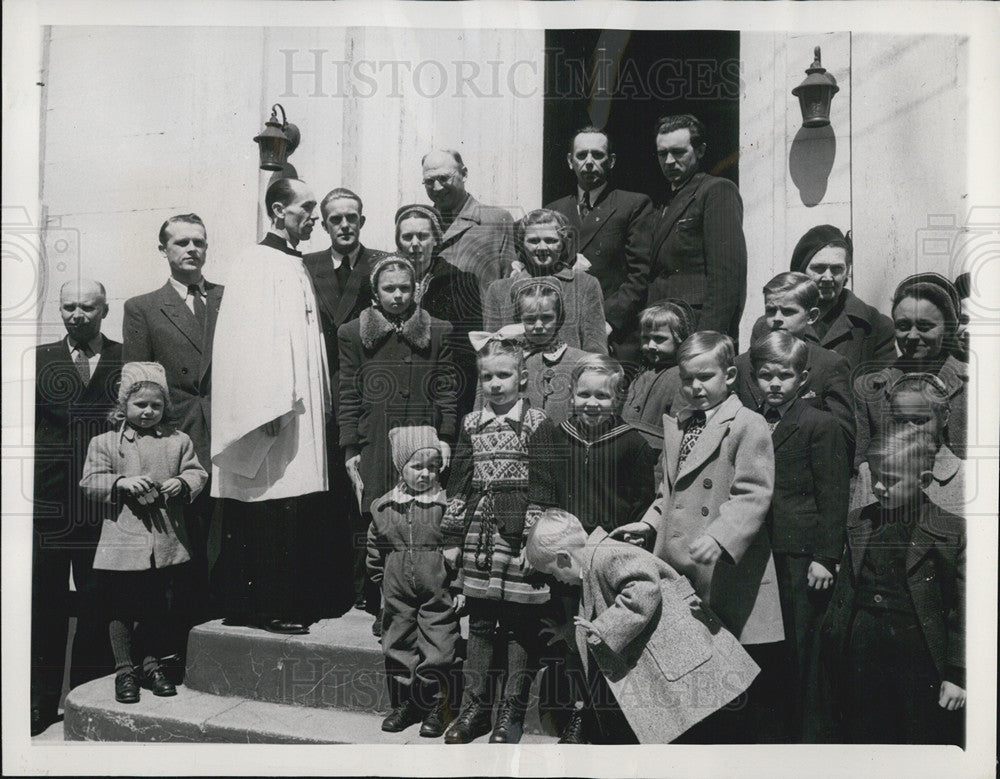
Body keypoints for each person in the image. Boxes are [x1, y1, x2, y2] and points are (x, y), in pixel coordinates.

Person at [614, 331, 785, 743]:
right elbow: (670, 490)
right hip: (678, 561)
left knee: (729, 670)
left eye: (705, 377)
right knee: (689, 668)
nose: (695, 387)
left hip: (725, 569)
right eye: (687, 378)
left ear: (729, 375)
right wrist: (651, 522)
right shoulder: (682, 422)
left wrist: (723, 536)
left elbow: (754, 492)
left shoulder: (747, 424)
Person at [524, 508, 760, 744]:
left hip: (683, 654)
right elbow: (597, 614)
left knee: (699, 728)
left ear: (564, 557)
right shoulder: (595, 562)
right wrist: (570, 630)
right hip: (675, 660)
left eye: (552, 572)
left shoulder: (608, 555)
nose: (556, 580)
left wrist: (605, 627)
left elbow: (644, 587)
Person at [211, 178, 332, 635]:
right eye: (307, 208)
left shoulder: (290, 262)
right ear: (279, 211)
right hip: (274, 407)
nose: (314, 217)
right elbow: (249, 340)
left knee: (288, 502)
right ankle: (264, 606)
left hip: (297, 401)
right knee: (269, 501)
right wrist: (266, 406)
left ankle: (264, 602)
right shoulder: (255, 262)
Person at [820, 428, 965, 745]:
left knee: (915, 729)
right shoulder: (858, 521)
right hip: (861, 641)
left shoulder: (950, 530)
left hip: (917, 647)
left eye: (892, 479)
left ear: (924, 480)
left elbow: (963, 611)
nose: (880, 488)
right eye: (875, 477)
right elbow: (845, 592)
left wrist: (957, 674)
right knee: (862, 729)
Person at [440, 333, 550, 744]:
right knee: (482, 621)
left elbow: (542, 485)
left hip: (518, 539)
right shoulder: (472, 424)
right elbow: (461, 483)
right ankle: (476, 707)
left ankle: (511, 710)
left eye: (504, 375)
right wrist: (452, 535)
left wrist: (532, 542)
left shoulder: (535, 423)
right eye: (488, 377)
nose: (496, 384)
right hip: (479, 536)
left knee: (520, 622)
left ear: (522, 378)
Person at [79, 362, 208, 704]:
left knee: (155, 605)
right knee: (120, 606)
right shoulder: (106, 443)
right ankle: (124, 670)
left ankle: (150, 664)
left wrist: (180, 483)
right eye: (140, 405)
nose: (149, 411)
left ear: (165, 407)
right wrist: (121, 482)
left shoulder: (178, 441)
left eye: (156, 405)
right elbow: (90, 482)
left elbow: (198, 474)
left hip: (164, 540)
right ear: (123, 406)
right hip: (122, 538)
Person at [122, 213, 222, 631]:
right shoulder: (142, 307)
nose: (191, 250)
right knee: (178, 540)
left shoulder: (226, 298)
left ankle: (217, 624)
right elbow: (140, 382)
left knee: (221, 535)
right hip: (174, 438)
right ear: (163, 250)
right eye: (181, 243)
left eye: (198, 242)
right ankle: (173, 642)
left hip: (225, 433)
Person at [31, 279, 122, 735]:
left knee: (97, 597)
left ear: (105, 309)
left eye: (87, 307)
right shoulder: (40, 359)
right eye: (69, 307)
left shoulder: (125, 359)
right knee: (42, 599)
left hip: (101, 501)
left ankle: (90, 695)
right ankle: (39, 702)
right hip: (47, 502)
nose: (77, 315)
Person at [749, 331, 849, 742]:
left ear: (802, 378)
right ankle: (770, 736)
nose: (774, 384)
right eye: (765, 375)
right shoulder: (750, 421)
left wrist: (825, 556)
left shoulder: (819, 424)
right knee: (768, 648)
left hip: (799, 555)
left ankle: (809, 740)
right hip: (760, 553)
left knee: (803, 650)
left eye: (784, 376)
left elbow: (833, 493)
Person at [303, 188, 388, 614]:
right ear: (323, 224)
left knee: (362, 489)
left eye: (351, 216)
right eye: (335, 218)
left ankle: (365, 587)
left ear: (362, 220)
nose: (344, 225)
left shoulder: (381, 264)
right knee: (326, 490)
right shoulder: (307, 266)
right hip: (319, 387)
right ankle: (328, 588)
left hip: (367, 389)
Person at [338, 254, 459, 541]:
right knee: (377, 525)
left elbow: (446, 389)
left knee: (423, 522)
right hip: (376, 444)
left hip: (423, 443)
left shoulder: (438, 330)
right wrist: (350, 447)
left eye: (404, 288)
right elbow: (349, 392)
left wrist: (444, 436)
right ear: (375, 292)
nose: (398, 295)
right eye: (389, 288)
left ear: (416, 289)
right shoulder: (353, 333)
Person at [367, 426, 459, 738]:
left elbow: (459, 547)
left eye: (433, 467)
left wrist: (457, 586)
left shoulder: (445, 505)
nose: (425, 474)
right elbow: (374, 546)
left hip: (437, 589)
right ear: (400, 467)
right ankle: (407, 703)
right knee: (398, 641)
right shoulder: (384, 506)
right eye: (417, 466)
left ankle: (437, 704)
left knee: (439, 644)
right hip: (397, 591)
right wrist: (381, 580)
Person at [545, 127, 653, 365]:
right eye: (582, 155)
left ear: (611, 161)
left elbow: (640, 275)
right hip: (563, 332)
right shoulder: (554, 210)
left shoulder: (633, 204)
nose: (589, 162)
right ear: (570, 161)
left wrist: (607, 322)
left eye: (598, 155)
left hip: (614, 333)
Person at [647, 115, 747, 345]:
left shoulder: (716, 191)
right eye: (662, 154)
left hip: (695, 328)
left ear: (700, 151)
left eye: (678, 152)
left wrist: (707, 340)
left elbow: (727, 279)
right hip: (661, 330)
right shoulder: (663, 201)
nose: (669, 161)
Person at [529, 355, 657, 536]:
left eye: (602, 396)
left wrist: (634, 537)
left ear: (617, 399)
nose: (592, 404)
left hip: (611, 542)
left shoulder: (634, 445)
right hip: (562, 541)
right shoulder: (555, 438)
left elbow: (641, 504)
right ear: (571, 394)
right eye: (584, 394)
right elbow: (542, 497)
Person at [735, 272, 855, 454]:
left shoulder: (830, 365)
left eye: (788, 311)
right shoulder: (742, 365)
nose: (776, 318)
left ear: (811, 316)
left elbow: (842, 438)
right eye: (770, 310)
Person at [854, 273, 968, 464]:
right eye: (903, 325)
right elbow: (860, 471)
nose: (912, 336)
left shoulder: (980, 385)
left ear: (949, 328)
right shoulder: (870, 390)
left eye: (925, 326)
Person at [749, 226, 895, 373]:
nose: (827, 277)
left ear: (847, 272)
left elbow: (881, 387)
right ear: (800, 270)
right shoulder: (768, 327)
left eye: (836, 269)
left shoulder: (875, 325)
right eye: (818, 268)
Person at [395, 204, 483, 417]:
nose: (415, 244)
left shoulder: (460, 281)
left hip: (442, 397)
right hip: (397, 392)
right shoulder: (386, 282)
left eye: (423, 236)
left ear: (436, 240)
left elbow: (466, 354)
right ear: (398, 242)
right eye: (407, 237)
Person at [483, 208, 608, 354]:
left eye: (551, 240)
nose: (542, 248)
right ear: (522, 243)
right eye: (534, 241)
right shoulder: (499, 291)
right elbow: (491, 353)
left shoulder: (585, 285)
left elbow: (596, 348)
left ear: (562, 244)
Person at [421, 149, 516, 292]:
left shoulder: (496, 220)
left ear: (464, 174)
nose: (437, 187)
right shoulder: (419, 224)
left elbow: (510, 283)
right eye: (429, 181)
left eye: (444, 178)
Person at [513, 278, 591, 426]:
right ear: (519, 320)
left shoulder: (580, 361)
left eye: (547, 318)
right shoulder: (509, 361)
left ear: (559, 318)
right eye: (530, 320)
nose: (538, 326)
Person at [621, 301, 692, 440]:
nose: (651, 345)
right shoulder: (640, 373)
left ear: (679, 339)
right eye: (646, 338)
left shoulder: (681, 378)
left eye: (659, 339)